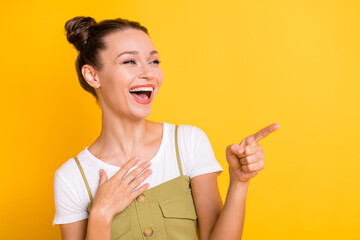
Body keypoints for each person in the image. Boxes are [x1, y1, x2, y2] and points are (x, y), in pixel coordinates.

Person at [53, 16, 280, 240]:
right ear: (92, 75)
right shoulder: (72, 177)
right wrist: (101, 215)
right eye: (130, 61)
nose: (149, 73)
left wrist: (239, 182)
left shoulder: (188, 142)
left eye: (154, 61)